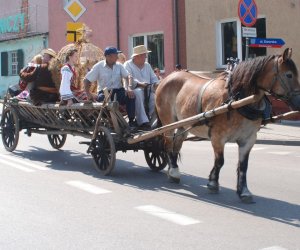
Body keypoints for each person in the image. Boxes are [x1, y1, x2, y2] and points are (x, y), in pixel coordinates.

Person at [83, 46, 135, 125]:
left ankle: (131, 121)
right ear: (108, 56)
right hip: (105, 92)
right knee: (103, 102)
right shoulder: (99, 66)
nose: (117, 57)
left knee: (131, 96)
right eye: (115, 55)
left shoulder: (119, 66)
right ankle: (109, 120)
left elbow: (128, 76)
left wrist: (129, 87)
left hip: (118, 91)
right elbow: (86, 80)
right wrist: (88, 94)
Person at [124, 45, 159, 128]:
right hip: (133, 89)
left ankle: (152, 120)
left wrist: (157, 84)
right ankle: (142, 122)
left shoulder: (147, 65)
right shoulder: (127, 65)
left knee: (155, 98)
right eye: (144, 55)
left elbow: (153, 78)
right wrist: (140, 84)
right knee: (138, 93)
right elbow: (127, 78)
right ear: (137, 56)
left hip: (148, 89)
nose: (146, 57)